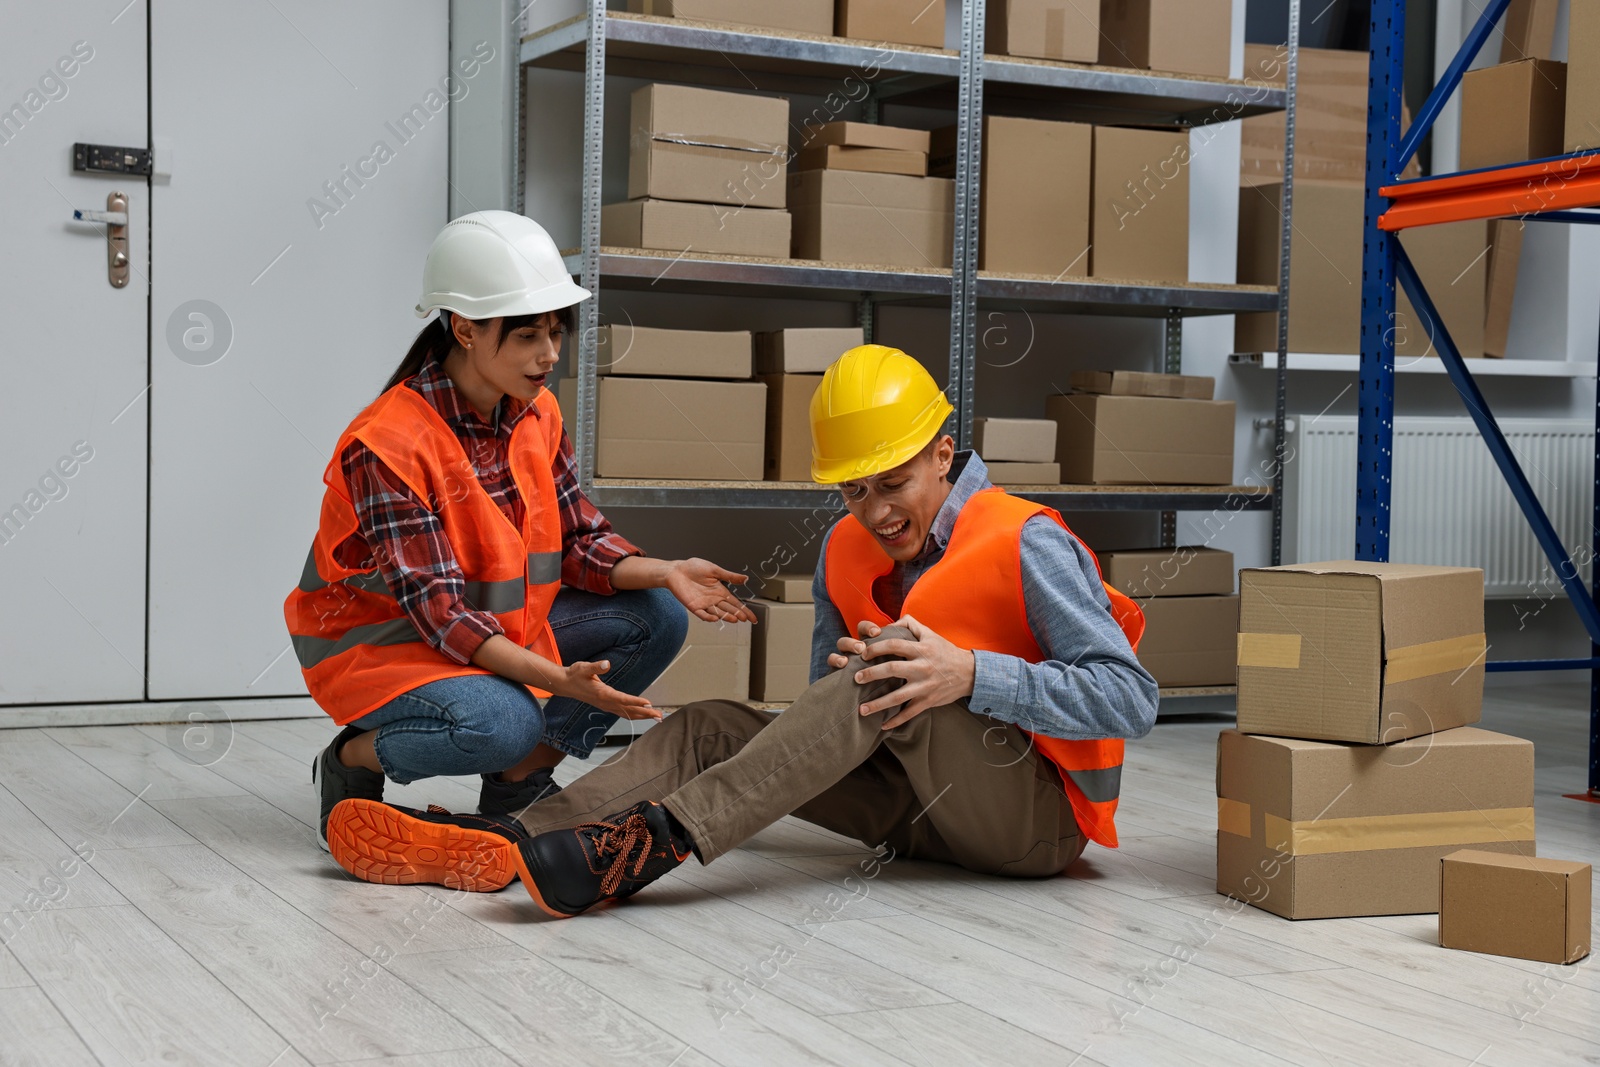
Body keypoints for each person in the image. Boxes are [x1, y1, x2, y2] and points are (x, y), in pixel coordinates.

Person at [323, 344, 1159, 914]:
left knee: (887, 678)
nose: (875, 510)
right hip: (917, 811)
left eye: (894, 482)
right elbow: (812, 724)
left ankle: (658, 844)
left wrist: (972, 674)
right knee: (715, 723)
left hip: (1030, 824)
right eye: (853, 490)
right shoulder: (846, 546)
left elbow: (1132, 698)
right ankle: (518, 838)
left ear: (945, 452)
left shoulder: (1026, 539)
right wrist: (840, 679)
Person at [285, 210, 755, 850]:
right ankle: (352, 760)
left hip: (489, 639)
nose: (550, 354)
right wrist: (559, 682)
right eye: (529, 334)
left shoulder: (537, 414)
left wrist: (669, 571)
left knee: (659, 613)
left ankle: (517, 786)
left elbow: (579, 542)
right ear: (466, 329)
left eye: (556, 332)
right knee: (503, 721)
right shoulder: (389, 443)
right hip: (383, 652)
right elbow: (444, 615)